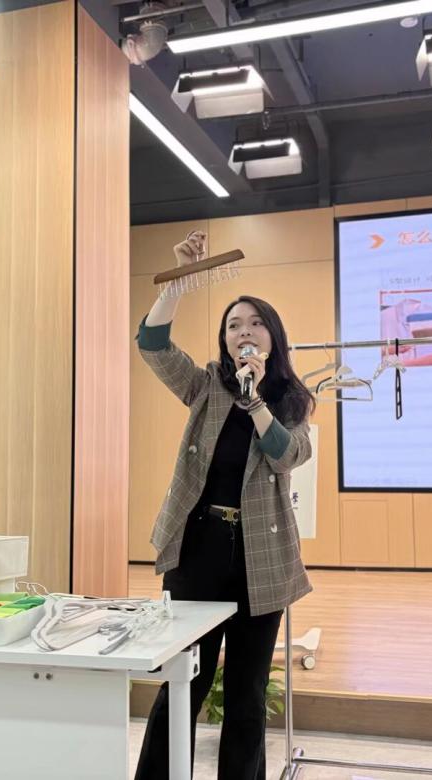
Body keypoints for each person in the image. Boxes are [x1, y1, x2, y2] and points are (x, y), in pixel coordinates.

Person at [133, 231, 315, 780]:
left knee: (246, 692)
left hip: (262, 557)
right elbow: (153, 345)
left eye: (255, 323)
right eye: (233, 325)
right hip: (198, 550)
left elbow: (288, 454)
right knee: (182, 682)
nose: (244, 332)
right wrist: (178, 281)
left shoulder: (291, 399)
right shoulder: (207, 385)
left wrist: (255, 400)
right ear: (225, 340)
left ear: (272, 338)